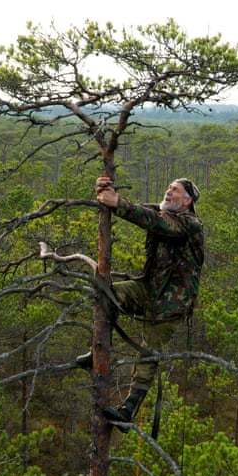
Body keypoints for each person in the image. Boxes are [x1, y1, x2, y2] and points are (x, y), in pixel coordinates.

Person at [77, 176, 205, 427]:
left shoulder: (191, 224)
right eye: (168, 187)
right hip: (149, 290)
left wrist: (117, 203)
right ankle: (98, 352)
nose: (168, 191)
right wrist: (108, 194)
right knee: (107, 293)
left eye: (175, 190)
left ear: (188, 200)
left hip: (172, 305)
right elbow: (145, 211)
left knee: (149, 352)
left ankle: (128, 410)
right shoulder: (163, 212)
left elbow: (155, 221)